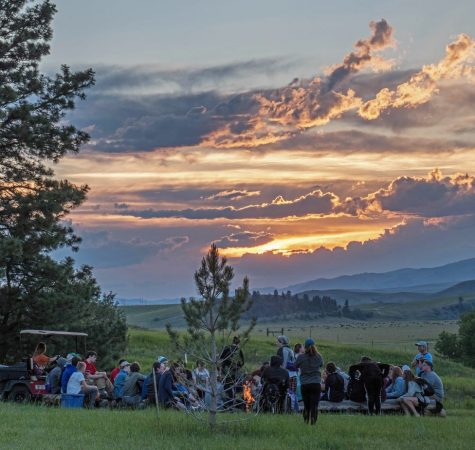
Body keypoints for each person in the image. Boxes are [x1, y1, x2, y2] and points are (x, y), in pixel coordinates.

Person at [295, 338, 324, 425]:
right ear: (314, 346)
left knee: (306, 405)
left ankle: (306, 422)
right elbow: (321, 364)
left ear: (305, 347)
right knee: (314, 406)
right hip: (316, 383)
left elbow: (295, 365)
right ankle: (313, 424)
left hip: (305, 384)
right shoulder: (319, 356)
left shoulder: (301, 357)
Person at [220, 336, 244, 406]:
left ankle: (227, 402)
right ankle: (237, 402)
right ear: (238, 343)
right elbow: (242, 362)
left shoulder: (227, 348)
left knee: (227, 387)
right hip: (235, 372)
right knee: (236, 387)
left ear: (233, 342)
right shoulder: (239, 350)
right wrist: (237, 367)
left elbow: (221, 358)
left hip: (226, 371)